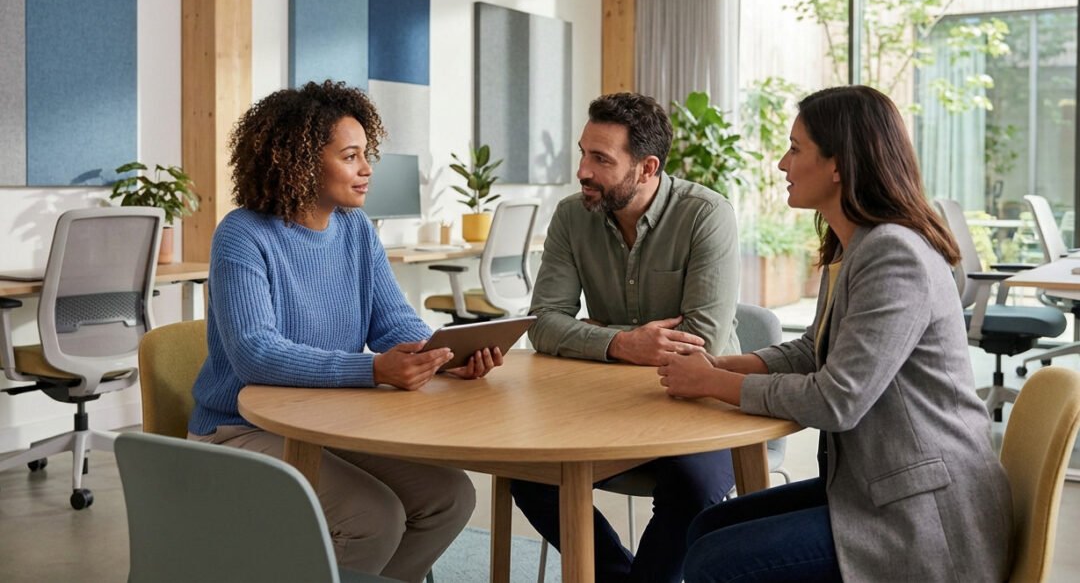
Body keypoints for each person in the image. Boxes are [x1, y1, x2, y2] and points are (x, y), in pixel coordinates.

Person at [659, 85, 1012, 582]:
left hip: (926, 514)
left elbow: (837, 400)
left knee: (712, 563)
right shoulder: (855, 245)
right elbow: (812, 351)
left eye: (795, 148)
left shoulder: (895, 255)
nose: (782, 164)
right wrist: (720, 365)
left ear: (839, 165)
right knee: (705, 529)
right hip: (877, 487)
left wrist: (711, 384)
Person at [187, 80, 502, 583]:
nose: (366, 169)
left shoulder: (357, 229)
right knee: (372, 518)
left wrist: (440, 354)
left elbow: (392, 320)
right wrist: (375, 368)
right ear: (299, 161)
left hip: (330, 421)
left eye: (366, 154)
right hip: (241, 428)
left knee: (450, 496)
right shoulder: (242, 235)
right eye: (350, 156)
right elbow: (255, 354)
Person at [512, 92, 742, 583]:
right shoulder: (572, 217)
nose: (583, 171)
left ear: (646, 166)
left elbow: (700, 342)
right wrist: (623, 344)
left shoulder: (706, 215)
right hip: (607, 406)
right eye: (582, 153)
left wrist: (593, 335)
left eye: (601, 159)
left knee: (694, 484)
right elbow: (544, 324)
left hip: (701, 405)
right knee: (526, 472)